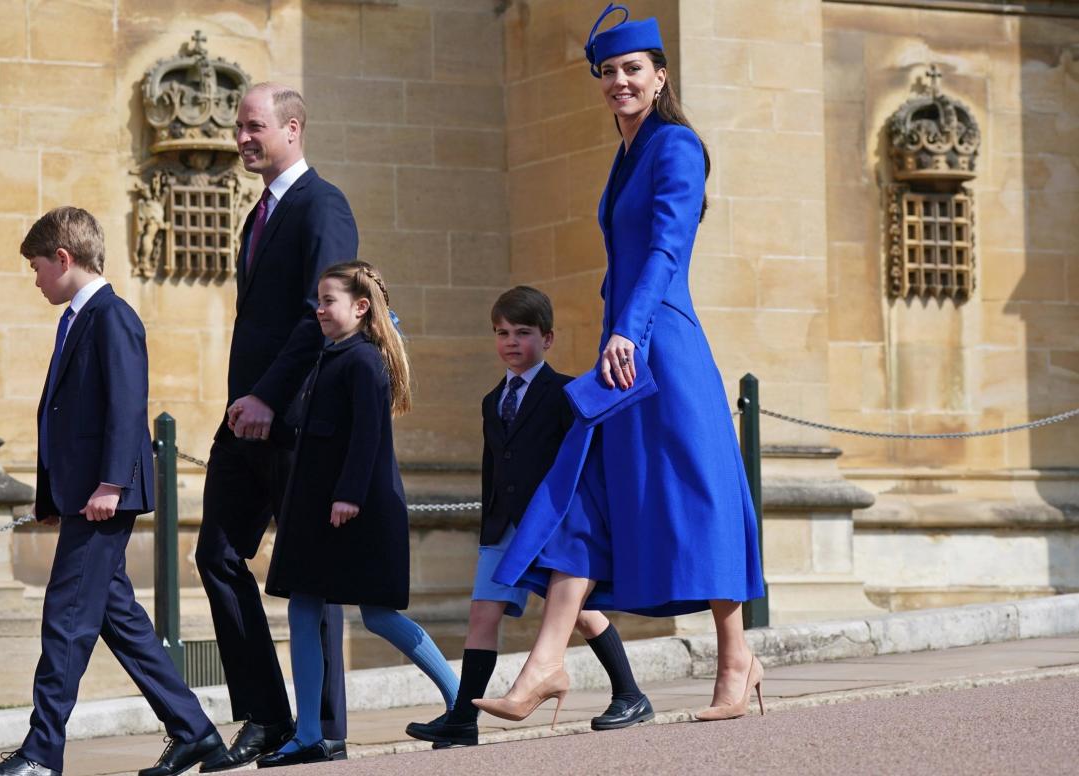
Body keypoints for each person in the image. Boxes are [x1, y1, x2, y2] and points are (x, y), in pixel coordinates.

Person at [475, 5, 767, 727]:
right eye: (607, 72)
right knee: (580, 496)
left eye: (632, 69)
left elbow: (667, 252)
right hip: (627, 344)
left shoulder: (674, 147)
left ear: (659, 73)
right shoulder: (625, 152)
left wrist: (628, 333)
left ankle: (736, 662)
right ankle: (545, 665)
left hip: (661, 347)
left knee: (701, 499)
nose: (618, 82)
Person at [0, 207, 227, 776]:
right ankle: (197, 733)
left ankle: (41, 754)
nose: (35, 280)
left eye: (37, 267)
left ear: (63, 258)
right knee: (120, 620)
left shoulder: (112, 316)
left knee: (65, 619)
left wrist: (111, 482)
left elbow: (125, 405)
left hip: (102, 496)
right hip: (84, 496)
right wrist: (52, 498)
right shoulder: (78, 319)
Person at [405, 286, 652, 748]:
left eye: (523, 332)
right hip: (503, 525)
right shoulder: (490, 401)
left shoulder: (565, 394)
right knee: (483, 612)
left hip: (553, 523)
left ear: (548, 339)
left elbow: (581, 464)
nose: (511, 341)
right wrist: (486, 531)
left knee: (579, 613)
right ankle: (463, 718)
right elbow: (492, 469)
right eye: (502, 333)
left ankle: (630, 693)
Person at [195, 83, 357, 770]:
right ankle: (264, 716)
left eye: (253, 127)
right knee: (217, 555)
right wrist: (244, 404)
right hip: (248, 420)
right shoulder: (257, 215)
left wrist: (267, 396)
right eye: (239, 129)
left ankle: (321, 729)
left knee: (307, 570)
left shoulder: (323, 205)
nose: (241, 139)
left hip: (296, 419)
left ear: (293, 128)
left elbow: (319, 314)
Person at [260, 261, 459, 767]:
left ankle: (462, 703)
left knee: (379, 615)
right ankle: (308, 733)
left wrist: (348, 495)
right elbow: (320, 432)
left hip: (354, 510)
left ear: (360, 306)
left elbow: (370, 435)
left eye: (328, 301)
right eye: (319, 301)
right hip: (316, 511)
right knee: (302, 610)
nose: (319, 309)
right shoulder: (333, 356)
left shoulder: (364, 361)